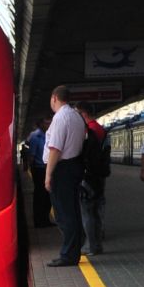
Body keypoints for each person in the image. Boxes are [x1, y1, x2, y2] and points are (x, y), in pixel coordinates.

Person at [43, 85, 87, 266]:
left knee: (63, 214)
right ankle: (74, 249)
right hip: (73, 166)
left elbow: (55, 149)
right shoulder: (76, 116)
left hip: (62, 169)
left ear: (54, 98)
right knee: (73, 212)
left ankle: (68, 254)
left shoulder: (61, 118)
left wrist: (48, 175)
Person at [79, 113, 111, 257]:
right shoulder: (95, 136)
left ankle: (90, 246)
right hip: (98, 179)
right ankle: (97, 245)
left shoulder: (84, 139)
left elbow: (84, 160)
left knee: (87, 213)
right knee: (96, 213)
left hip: (88, 180)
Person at [21, 120, 51, 227]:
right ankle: (38, 221)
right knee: (40, 195)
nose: (49, 125)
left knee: (47, 196)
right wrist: (30, 170)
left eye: (50, 122)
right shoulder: (35, 137)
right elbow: (31, 156)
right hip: (39, 169)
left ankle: (46, 219)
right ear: (41, 124)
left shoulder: (48, 135)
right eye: (47, 123)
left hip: (47, 168)